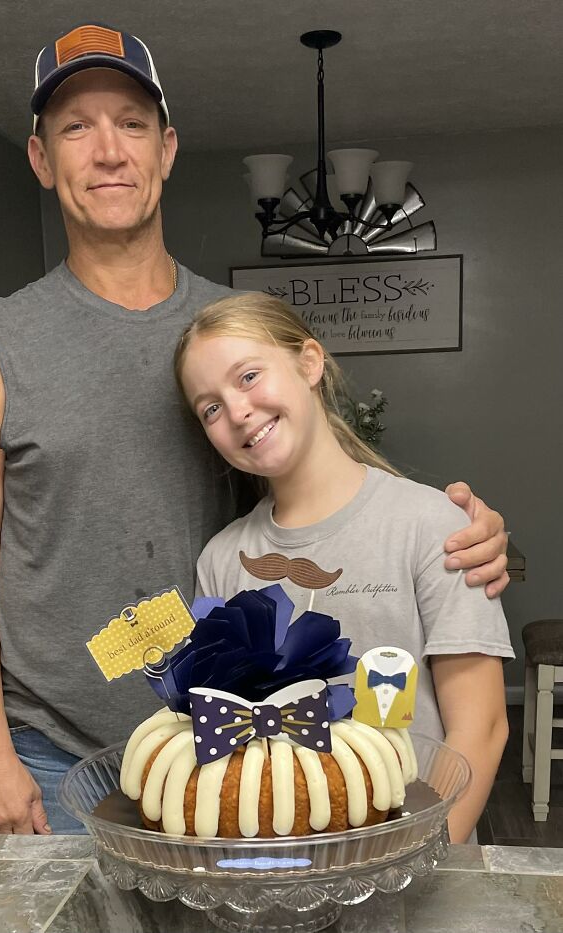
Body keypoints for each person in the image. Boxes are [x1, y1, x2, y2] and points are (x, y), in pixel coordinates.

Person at [0, 21, 510, 836]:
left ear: (166, 149)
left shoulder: (224, 335)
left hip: (233, 752)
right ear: (40, 159)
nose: (108, 152)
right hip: (51, 756)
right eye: (76, 127)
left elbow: (324, 482)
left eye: (131, 123)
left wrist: (462, 530)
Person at [174, 292, 513, 843]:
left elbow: (484, 727)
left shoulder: (431, 525)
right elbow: (223, 734)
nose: (236, 410)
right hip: (277, 868)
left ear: (310, 363)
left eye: (249, 376)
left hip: (414, 863)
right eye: (209, 407)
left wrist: (417, 863)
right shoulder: (219, 561)